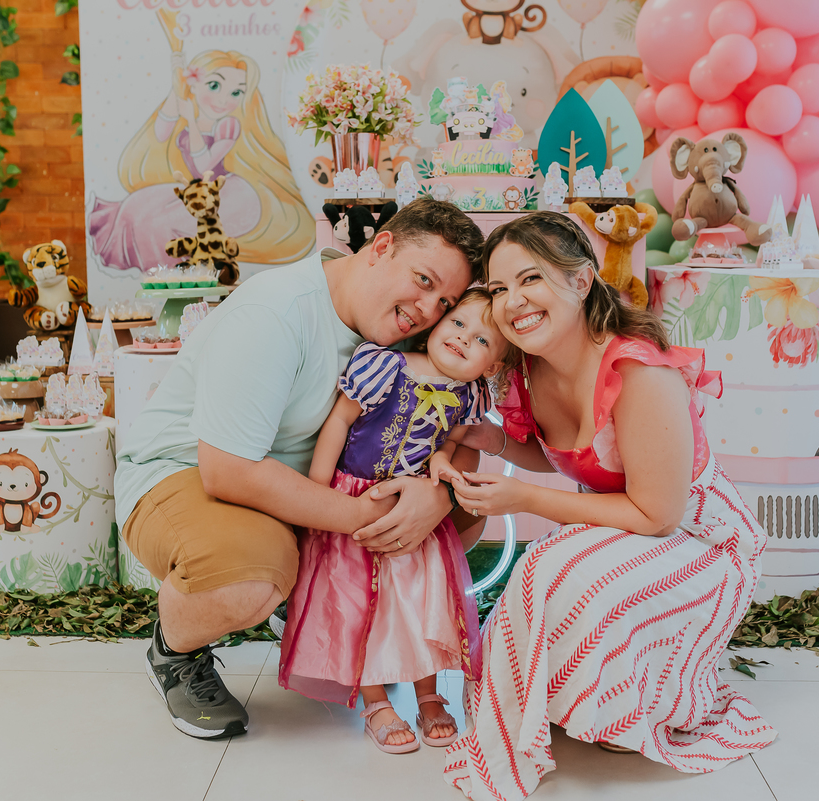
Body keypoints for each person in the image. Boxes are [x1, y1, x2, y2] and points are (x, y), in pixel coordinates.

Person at [115, 198, 485, 739]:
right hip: (189, 471)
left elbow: (460, 419)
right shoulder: (276, 313)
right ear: (381, 248)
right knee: (251, 578)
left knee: (456, 524)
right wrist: (364, 515)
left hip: (307, 482)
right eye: (423, 280)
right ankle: (174, 650)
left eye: (445, 300)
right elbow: (229, 471)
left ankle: (325, 603)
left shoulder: (407, 332)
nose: (428, 310)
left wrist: (439, 496)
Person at [440, 212, 777, 799]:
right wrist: (495, 441)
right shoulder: (530, 368)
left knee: (560, 566)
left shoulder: (637, 371)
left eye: (530, 279)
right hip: (629, 527)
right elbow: (570, 455)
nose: (512, 301)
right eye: (498, 289)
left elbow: (657, 515)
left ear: (580, 280)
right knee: (549, 569)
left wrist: (521, 497)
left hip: (700, 540)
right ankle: (580, 698)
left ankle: (635, 701)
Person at [280, 289, 515, 754]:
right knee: (361, 606)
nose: (464, 339)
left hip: (414, 512)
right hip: (354, 498)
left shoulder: (469, 395)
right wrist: (318, 492)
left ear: (491, 368)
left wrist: (444, 465)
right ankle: (375, 701)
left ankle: (427, 695)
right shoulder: (385, 365)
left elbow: (450, 440)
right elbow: (339, 422)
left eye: (483, 341)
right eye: (459, 324)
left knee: (420, 603)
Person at [89, 48, 314, 272]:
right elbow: (159, 134)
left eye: (236, 93)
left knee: (155, 222)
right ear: (194, 85)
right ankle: (170, 278)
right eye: (214, 86)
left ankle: (181, 276)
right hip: (198, 191)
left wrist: (192, 122)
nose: (224, 100)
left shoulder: (228, 124)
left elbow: (204, 165)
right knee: (134, 206)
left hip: (228, 194)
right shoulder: (187, 110)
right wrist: (177, 85)